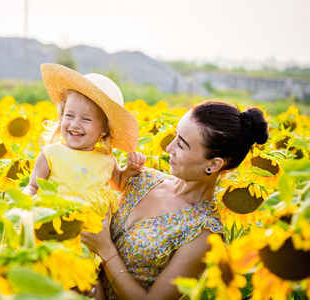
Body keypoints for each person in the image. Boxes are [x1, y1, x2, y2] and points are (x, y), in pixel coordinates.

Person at [81, 100, 269, 300]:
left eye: (181, 144)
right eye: (175, 136)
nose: (169, 148)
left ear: (213, 165)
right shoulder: (143, 179)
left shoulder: (203, 233)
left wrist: (105, 249)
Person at [23, 63, 146, 218]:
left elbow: (120, 184)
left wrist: (131, 169)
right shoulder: (51, 155)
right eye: (69, 115)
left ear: (104, 129)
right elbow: (33, 186)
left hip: (97, 234)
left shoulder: (106, 158)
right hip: (57, 225)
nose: (75, 124)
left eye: (86, 119)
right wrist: (26, 197)